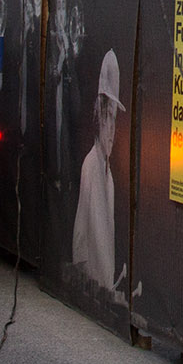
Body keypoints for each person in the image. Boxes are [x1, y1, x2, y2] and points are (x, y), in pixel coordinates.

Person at [70, 50, 124, 293]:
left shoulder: (106, 172)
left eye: (113, 119)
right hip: (94, 287)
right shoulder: (92, 165)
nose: (111, 129)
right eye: (107, 118)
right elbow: (82, 231)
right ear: (98, 118)